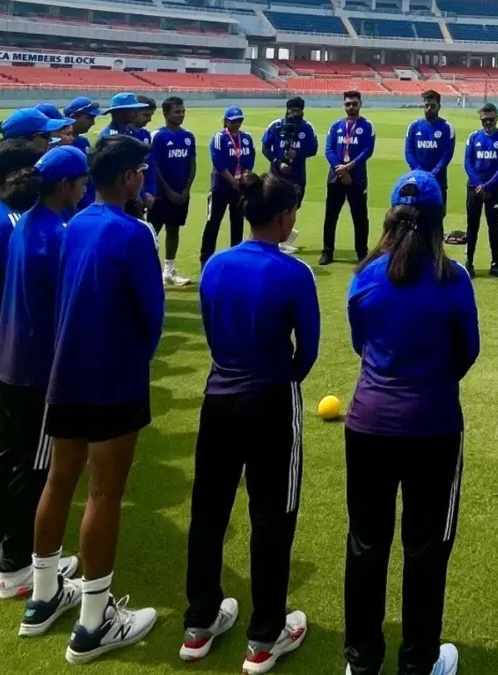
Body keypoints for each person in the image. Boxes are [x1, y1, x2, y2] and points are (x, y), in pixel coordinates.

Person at [25, 135, 162, 661]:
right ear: (128, 177)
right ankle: (94, 620)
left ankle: (42, 598)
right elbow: (150, 314)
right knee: (104, 492)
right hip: (113, 377)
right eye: (140, 171)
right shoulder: (134, 233)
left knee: (60, 480)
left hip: (67, 371)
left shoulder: (73, 224)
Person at [183, 172, 319, 673]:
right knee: (271, 516)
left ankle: (198, 625)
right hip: (270, 400)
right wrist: (277, 378)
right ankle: (264, 636)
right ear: (283, 217)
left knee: (208, 512)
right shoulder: (294, 273)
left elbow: (211, 329)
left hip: (218, 397)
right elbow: (307, 353)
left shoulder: (216, 264)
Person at [344, 171, 477, 675]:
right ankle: (417, 663)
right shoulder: (453, 278)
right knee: (426, 548)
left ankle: (361, 661)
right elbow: (468, 351)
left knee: (366, 543)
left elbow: (362, 342)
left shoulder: (366, 273)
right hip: (433, 425)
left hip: (370, 422)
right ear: (439, 222)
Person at [0, 147, 87, 599]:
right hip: (37, 372)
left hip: (9, 362)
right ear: (64, 186)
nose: (84, 189)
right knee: (35, 470)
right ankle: (18, 567)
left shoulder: (22, 221)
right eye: (81, 182)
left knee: (7, 454)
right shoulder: (56, 237)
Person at [0, 139, 48, 574]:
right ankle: (10, 549)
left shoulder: (2, 212)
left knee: (3, 436)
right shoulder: (6, 224)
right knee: (6, 437)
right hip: (1, 344)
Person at [0, 108, 73, 218]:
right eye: (46, 136)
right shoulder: (4, 188)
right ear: (23, 142)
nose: (51, 142)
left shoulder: (17, 177)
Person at [321, 91, 376, 266]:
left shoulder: (367, 126)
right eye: (347, 104)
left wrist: (348, 168)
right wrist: (341, 171)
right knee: (331, 216)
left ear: (361, 104)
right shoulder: (335, 125)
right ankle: (327, 251)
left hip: (357, 177)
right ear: (343, 105)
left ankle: (362, 253)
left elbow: (367, 151)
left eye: (354, 103)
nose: (351, 107)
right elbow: (329, 150)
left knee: (360, 217)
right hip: (335, 177)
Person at [261, 96, 318, 254]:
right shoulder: (276, 125)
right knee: (274, 207)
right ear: (286, 110)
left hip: (297, 176)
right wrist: (278, 162)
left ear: (302, 111)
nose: (294, 114)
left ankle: (284, 237)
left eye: (297, 111)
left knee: (293, 207)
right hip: (277, 175)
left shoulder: (307, 128)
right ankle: (276, 240)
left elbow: (313, 149)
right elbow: (265, 148)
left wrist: (297, 153)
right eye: (291, 110)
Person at [463, 103, 498, 279]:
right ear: (480, 119)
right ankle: (469, 263)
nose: (488, 123)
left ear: (497, 117)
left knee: (493, 225)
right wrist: (478, 184)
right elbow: (468, 162)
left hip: (493, 189)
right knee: (472, 225)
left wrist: (488, 186)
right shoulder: (473, 137)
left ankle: (495, 263)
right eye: (485, 120)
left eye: (491, 119)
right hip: (474, 188)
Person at [151, 96, 196, 286]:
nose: (181, 114)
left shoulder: (188, 136)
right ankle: (147, 270)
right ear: (166, 113)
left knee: (174, 229)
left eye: (183, 111)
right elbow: (154, 166)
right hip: (161, 194)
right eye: (177, 111)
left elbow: (192, 164)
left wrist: (186, 189)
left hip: (181, 194)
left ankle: (168, 271)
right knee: (152, 232)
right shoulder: (158, 136)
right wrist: (168, 190)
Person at [201, 106, 255, 266]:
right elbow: (217, 160)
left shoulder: (246, 138)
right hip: (221, 185)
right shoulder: (219, 137)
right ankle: (205, 258)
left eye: (239, 120)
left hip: (240, 185)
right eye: (233, 121)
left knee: (237, 221)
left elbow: (251, 157)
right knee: (213, 222)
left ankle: (236, 255)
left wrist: (245, 176)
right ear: (225, 121)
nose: (237, 124)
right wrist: (232, 180)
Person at [100, 93, 157, 213]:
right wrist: (139, 196)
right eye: (133, 109)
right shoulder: (111, 137)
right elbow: (120, 173)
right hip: (121, 198)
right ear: (121, 112)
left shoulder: (129, 134)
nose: (136, 112)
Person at [404, 90, 456, 205]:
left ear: (439, 106)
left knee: (437, 218)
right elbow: (409, 153)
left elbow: (447, 155)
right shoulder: (414, 126)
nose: (429, 108)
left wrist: (432, 174)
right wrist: (421, 173)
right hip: (417, 181)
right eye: (426, 105)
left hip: (438, 181)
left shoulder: (447, 127)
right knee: (415, 216)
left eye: (432, 106)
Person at [63, 97, 102, 217]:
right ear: (74, 117)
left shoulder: (83, 142)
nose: (93, 123)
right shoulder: (61, 145)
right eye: (89, 118)